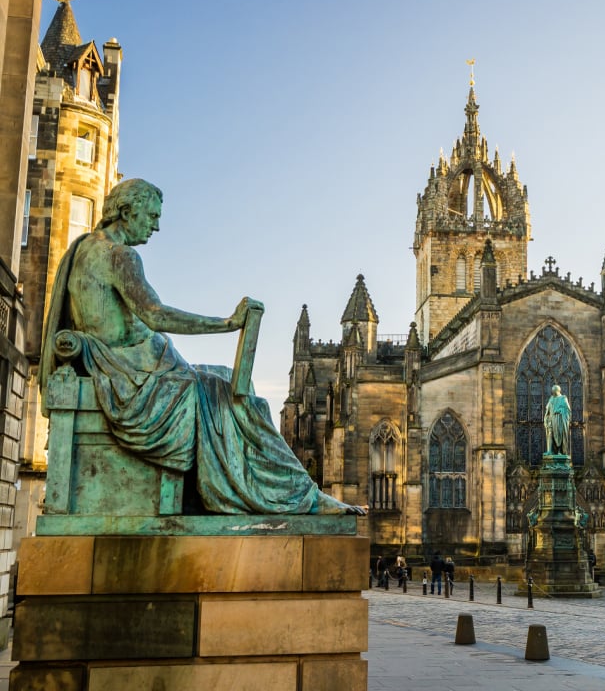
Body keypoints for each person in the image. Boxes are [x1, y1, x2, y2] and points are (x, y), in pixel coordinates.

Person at [41, 179, 366, 516]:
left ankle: (292, 491)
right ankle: (301, 497)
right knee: (238, 400)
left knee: (230, 378)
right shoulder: (120, 256)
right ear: (126, 212)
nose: (156, 225)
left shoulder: (83, 248)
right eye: (151, 216)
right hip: (136, 376)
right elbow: (157, 315)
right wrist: (227, 323)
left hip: (132, 367)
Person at [544, 384, 571, 455]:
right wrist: (546, 418)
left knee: (559, 435)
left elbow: (567, 410)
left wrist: (560, 410)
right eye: (553, 391)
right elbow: (548, 409)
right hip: (551, 419)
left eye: (555, 391)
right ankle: (549, 451)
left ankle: (560, 451)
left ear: (558, 391)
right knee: (550, 434)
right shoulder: (551, 399)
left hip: (560, 419)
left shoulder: (563, 398)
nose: (553, 393)